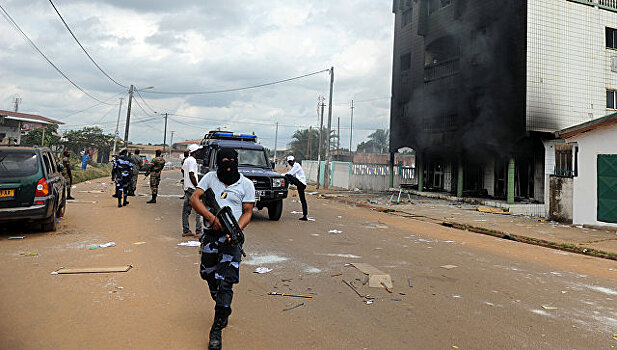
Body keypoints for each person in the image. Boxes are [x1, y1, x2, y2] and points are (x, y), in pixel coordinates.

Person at [189, 148, 255, 350]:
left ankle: (216, 328)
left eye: (232, 160)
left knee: (226, 281)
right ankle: (223, 305)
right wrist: (212, 219)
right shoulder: (209, 178)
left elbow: (247, 211)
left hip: (231, 240)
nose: (228, 163)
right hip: (210, 235)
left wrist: (236, 229)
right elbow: (195, 199)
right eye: (224, 160)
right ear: (218, 162)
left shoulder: (246, 184)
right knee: (208, 274)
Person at [181, 144, 204, 237]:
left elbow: (183, 171)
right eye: (198, 150)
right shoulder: (192, 161)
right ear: (195, 152)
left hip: (187, 187)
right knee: (199, 210)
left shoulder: (186, 160)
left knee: (186, 211)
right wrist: (197, 186)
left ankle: (186, 230)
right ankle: (199, 231)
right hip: (192, 188)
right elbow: (191, 174)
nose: (199, 152)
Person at [282, 155, 308, 221]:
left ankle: (285, 188)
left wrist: (280, 175)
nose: (290, 163)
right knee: (302, 199)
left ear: (294, 161)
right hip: (300, 184)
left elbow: (290, 174)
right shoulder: (294, 166)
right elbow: (292, 175)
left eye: (291, 161)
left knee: (287, 176)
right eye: (289, 162)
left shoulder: (297, 165)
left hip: (301, 184)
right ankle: (305, 215)